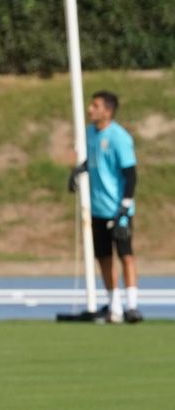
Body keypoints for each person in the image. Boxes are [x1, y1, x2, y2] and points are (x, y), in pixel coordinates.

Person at [69, 90, 141, 323]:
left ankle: (132, 305)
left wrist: (124, 206)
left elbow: (130, 174)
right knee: (103, 257)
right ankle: (115, 305)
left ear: (108, 111)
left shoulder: (120, 136)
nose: (90, 109)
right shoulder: (89, 134)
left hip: (118, 209)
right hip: (98, 208)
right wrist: (80, 170)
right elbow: (95, 158)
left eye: (96, 106)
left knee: (125, 255)